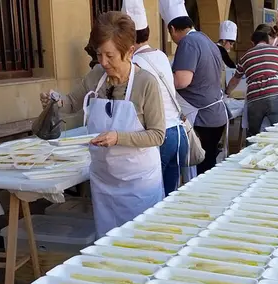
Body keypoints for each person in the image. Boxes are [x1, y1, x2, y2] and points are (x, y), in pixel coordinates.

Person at [40, 11, 165, 237]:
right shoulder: (96, 75)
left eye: (110, 56)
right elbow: (71, 103)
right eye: (99, 55)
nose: (103, 62)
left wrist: (119, 137)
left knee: (141, 245)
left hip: (138, 184)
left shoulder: (146, 83)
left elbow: (157, 135)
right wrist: (54, 101)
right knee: (107, 247)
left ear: (129, 52)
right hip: (104, 183)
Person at [123, 0, 188, 195]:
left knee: (150, 198)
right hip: (178, 134)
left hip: (159, 137)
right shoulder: (161, 56)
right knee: (169, 197)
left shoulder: (132, 64)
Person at [162, 0, 228, 175]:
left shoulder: (188, 43)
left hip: (202, 117)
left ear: (172, 29)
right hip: (216, 114)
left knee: (201, 167)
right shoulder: (206, 39)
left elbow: (182, 81)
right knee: (209, 163)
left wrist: (163, 80)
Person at [225, 31, 278, 138]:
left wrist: (226, 93)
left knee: (253, 136)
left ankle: (250, 153)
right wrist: (275, 87)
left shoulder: (245, 56)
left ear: (253, 42)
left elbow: (235, 80)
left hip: (254, 98)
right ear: (268, 40)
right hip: (275, 96)